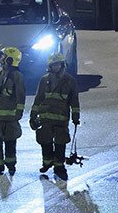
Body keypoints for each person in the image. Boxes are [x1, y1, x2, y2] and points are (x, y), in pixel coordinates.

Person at [30, 53, 80, 182]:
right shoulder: (44, 80)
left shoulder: (69, 81)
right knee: (44, 141)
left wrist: (76, 116)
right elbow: (38, 98)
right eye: (53, 65)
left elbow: (74, 100)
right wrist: (33, 115)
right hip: (45, 117)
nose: (55, 67)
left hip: (61, 118)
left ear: (62, 65)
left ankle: (59, 166)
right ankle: (47, 162)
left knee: (60, 143)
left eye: (57, 65)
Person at [0, 47, 26, 175]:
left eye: (3, 56)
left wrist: (18, 113)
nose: (0, 58)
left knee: (10, 141)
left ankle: (11, 165)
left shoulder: (17, 76)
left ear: (9, 60)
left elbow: (21, 95)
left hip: (10, 117)